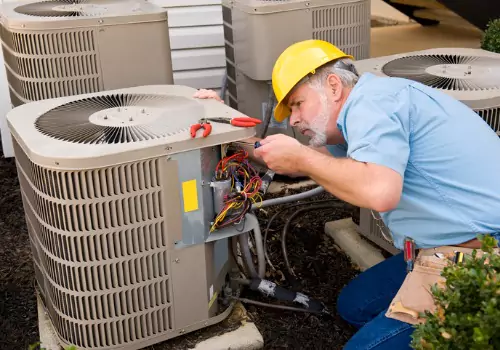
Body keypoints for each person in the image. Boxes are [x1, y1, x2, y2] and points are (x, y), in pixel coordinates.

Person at [194, 39, 500, 349]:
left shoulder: (373, 104)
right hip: (442, 243)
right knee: (355, 306)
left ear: (333, 86)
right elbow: (302, 164)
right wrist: (227, 129)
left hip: (482, 252)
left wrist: (302, 157)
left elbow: (380, 192)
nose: (293, 119)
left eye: (298, 103)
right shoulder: (360, 113)